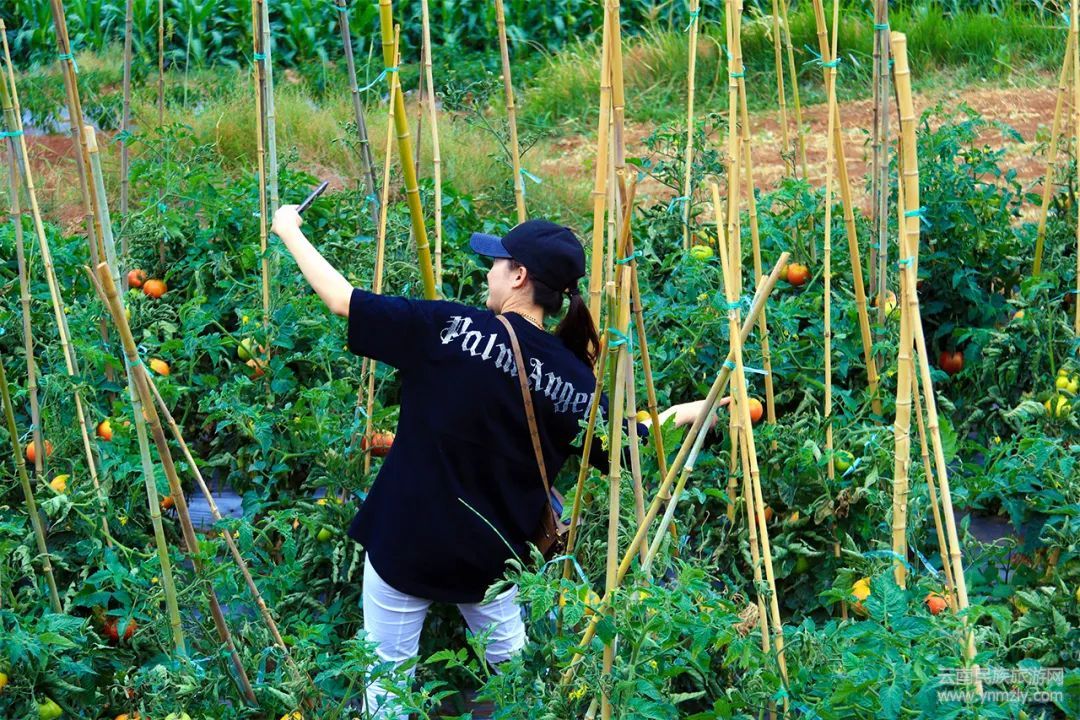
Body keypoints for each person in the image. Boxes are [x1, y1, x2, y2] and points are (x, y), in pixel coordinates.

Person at [272, 207, 719, 718]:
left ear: (519, 276)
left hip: (405, 543)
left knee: (388, 684)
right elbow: (629, 439)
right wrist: (695, 409)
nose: (489, 272)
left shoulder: (446, 327)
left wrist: (289, 230)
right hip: (491, 561)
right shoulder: (576, 381)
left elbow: (340, 299)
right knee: (520, 684)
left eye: (496, 263)